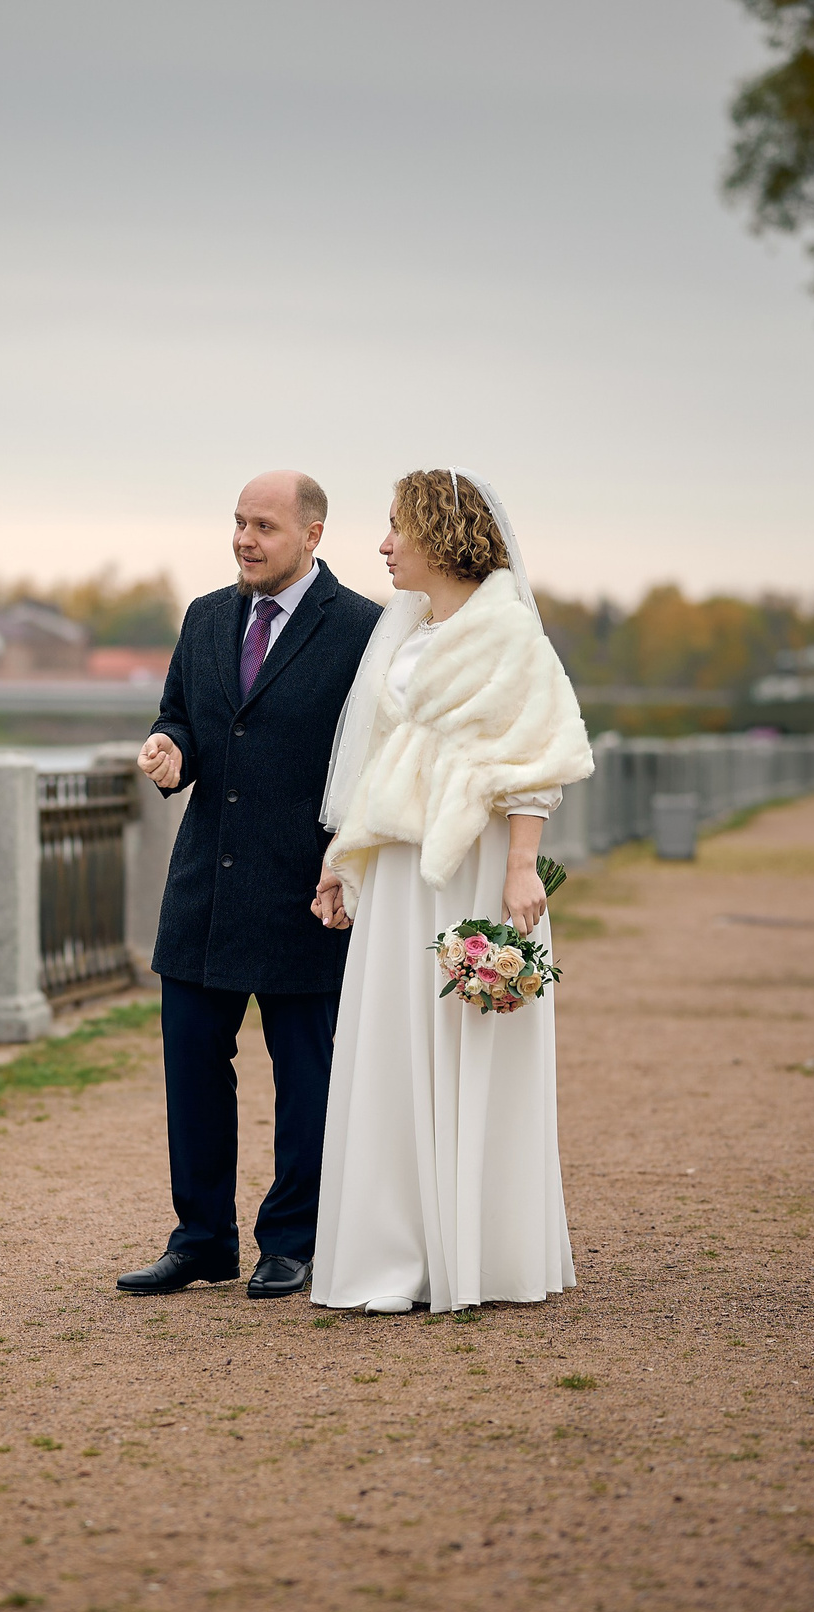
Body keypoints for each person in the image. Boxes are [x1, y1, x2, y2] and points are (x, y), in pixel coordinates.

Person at [307, 469, 593, 1314]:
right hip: (399, 866)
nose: (385, 544)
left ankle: (478, 1254)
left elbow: (535, 755)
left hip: (470, 864)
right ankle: (395, 1251)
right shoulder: (407, 634)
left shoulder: (510, 634)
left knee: (465, 1042)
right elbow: (381, 765)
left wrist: (518, 868)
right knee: (394, 1044)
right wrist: (342, 860)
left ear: (438, 532)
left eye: (397, 527)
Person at [117, 470, 385, 1299]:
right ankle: (200, 1239)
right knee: (192, 1063)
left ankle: (292, 1241)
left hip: (308, 890)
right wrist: (170, 751)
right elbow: (182, 717)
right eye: (238, 522)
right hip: (203, 888)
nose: (244, 538)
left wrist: (347, 859)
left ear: (311, 534)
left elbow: (377, 758)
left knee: (305, 1073)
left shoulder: (365, 631)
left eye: (263, 525)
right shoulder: (203, 617)